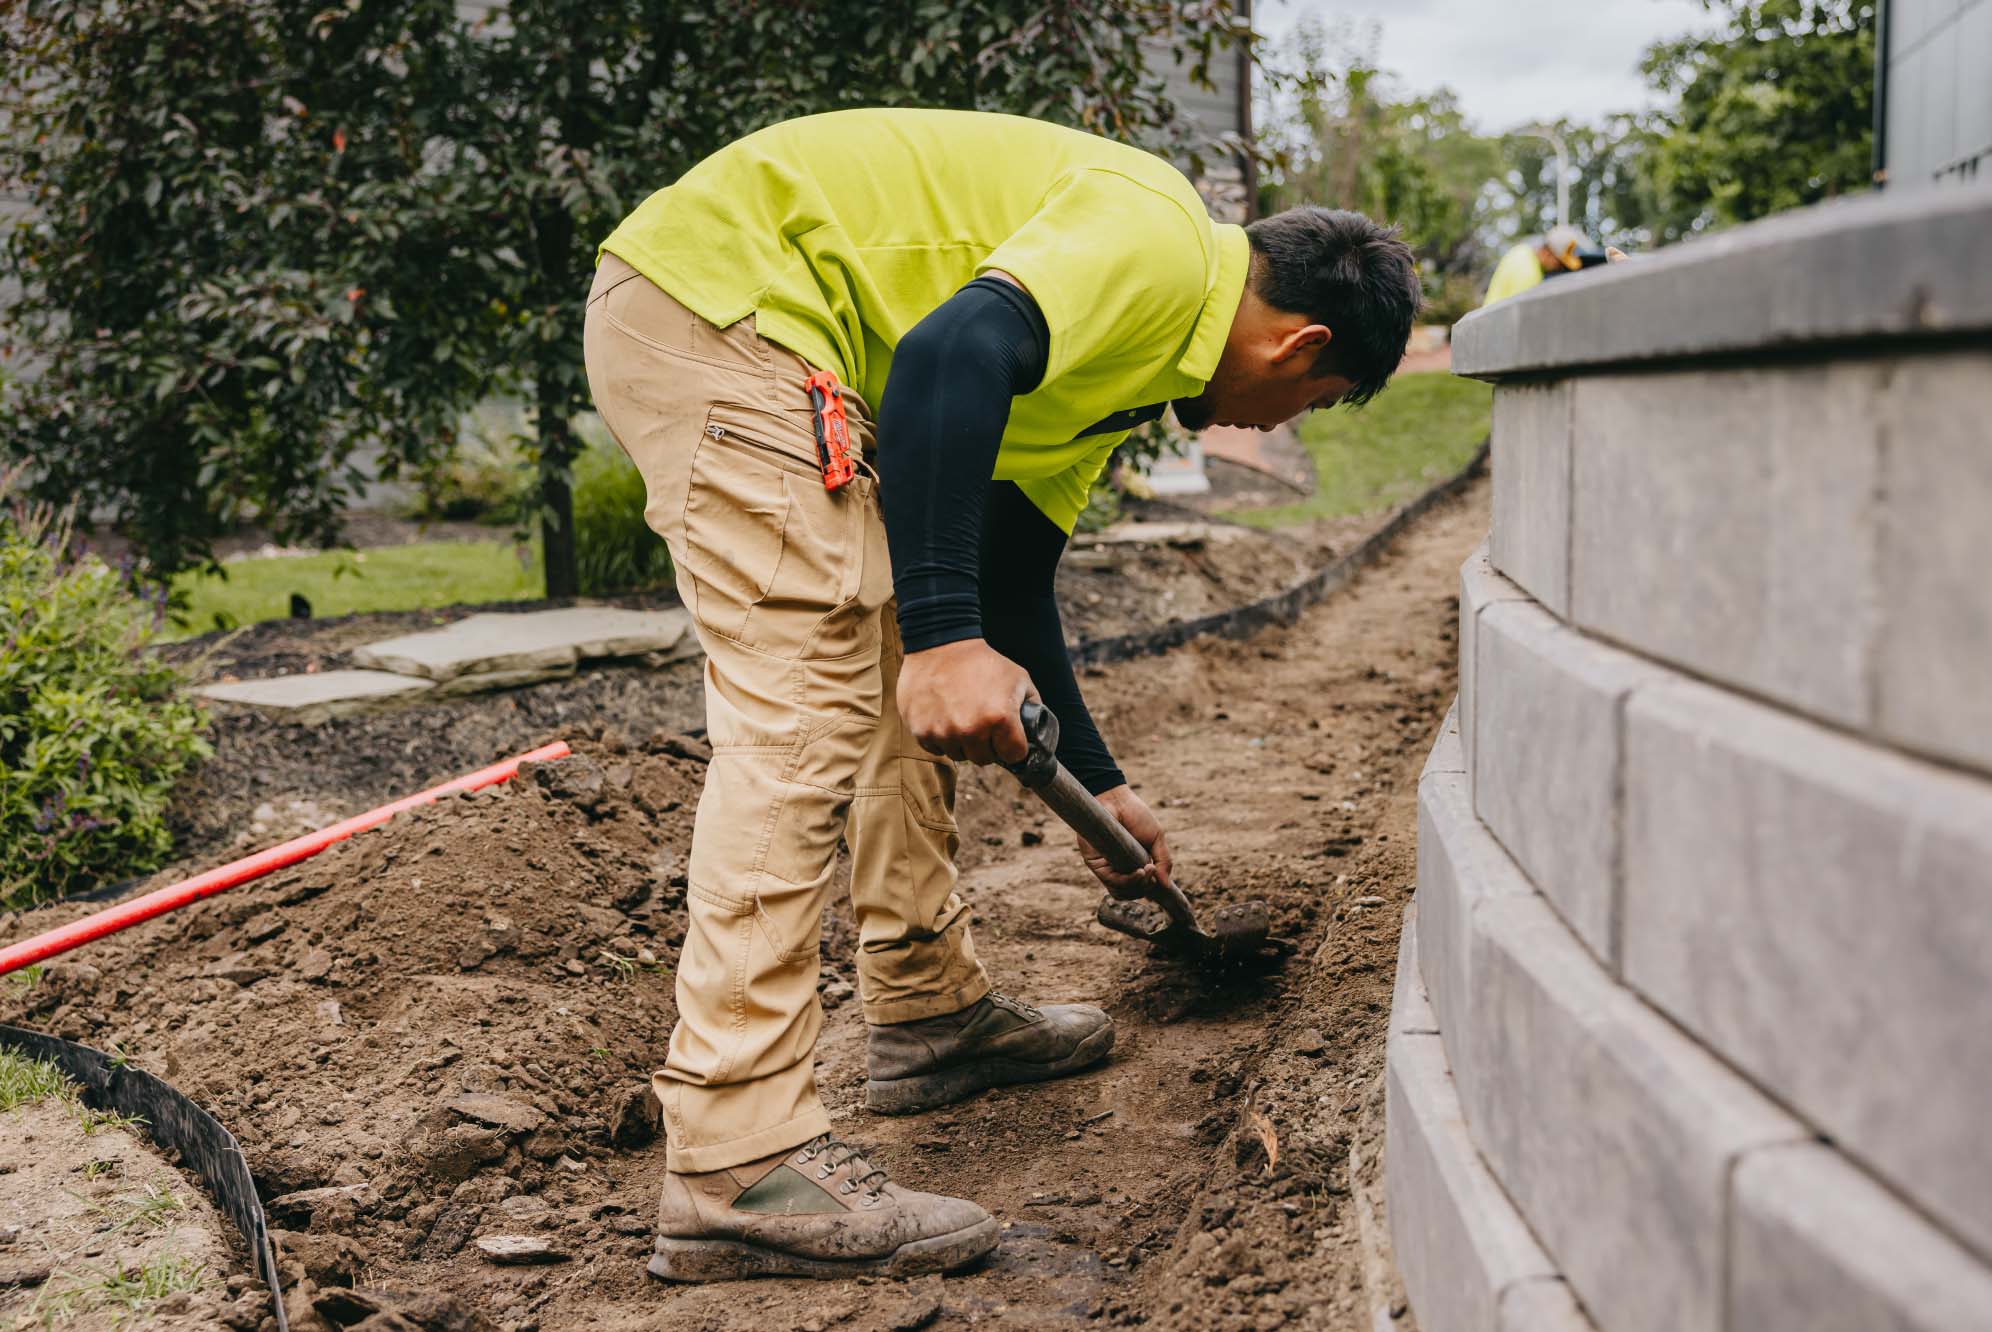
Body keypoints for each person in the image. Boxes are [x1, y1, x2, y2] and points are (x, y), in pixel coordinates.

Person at [583, 107, 1420, 1284]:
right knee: (814, 705)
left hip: (767, 327)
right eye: (1316, 402)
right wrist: (939, 640)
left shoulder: (1121, 373)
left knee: (909, 668)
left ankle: (929, 1012)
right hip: (729, 313)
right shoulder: (1159, 242)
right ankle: (736, 1163)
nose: (1276, 424)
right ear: (1303, 348)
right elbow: (943, 358)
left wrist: (1105, 787)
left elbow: (1011, 579)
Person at [1481, 223, 1607, 306]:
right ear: (1548, 253)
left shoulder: (1521, 251)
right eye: (1559, 263)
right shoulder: (1529, 274)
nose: (1559, 268)